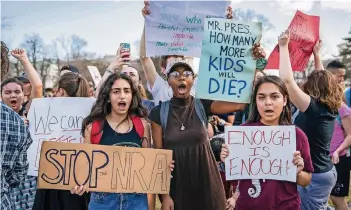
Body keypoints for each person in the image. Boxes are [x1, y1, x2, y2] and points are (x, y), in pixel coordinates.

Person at [148, 43, 264, 209]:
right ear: (168, 81)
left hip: (208, 185)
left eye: (187, 73)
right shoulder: (158, 114)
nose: (181, 77)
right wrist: (165, 197)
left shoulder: (202, 104)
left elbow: (239, 104)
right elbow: (159, 159)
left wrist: (252, 65)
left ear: (192, 80)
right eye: (175, 73)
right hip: (178, 189)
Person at [73, 73, 170, 210]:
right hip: (103, 202)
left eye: (127, 91)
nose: (122, 96)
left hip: (136, 201)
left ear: (132, 96)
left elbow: (149, 173)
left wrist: (161, 166)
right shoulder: (93, 128)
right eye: (116, 91)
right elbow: (84, 168)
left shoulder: (143, 126)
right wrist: (79, 183)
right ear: (108, 97)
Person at [221, 75, 313, 210]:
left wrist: (297, 172)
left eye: (275, 96)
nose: (268, 102)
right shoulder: (242, 134)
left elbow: (306, 181)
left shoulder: (297, 135)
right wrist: (228, 161)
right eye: (262, 97)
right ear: (255, 101)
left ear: (285, 100)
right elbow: (236, 181)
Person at [278, 30, 343, 210]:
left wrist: (283, 47)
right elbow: (321, 76)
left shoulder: (314, 108)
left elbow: (287, 81)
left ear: (312, 87)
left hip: (316, 176)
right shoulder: (328, 106)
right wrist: (316, 54)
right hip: (324, 171)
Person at [140, 1, 233, 105]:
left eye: (181, 57)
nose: (179, 59)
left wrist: (224, 25)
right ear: (163, 69)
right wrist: (149, 23)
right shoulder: (160, 88)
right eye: (174, 56)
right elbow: (144, 58)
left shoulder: (196, 86)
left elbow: (215, 58)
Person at [33, 72, 91, 210]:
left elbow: (37, 87)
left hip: (52, 180)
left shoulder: (47, 111)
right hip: (79, 182)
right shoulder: (91, 112)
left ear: (61, 91)